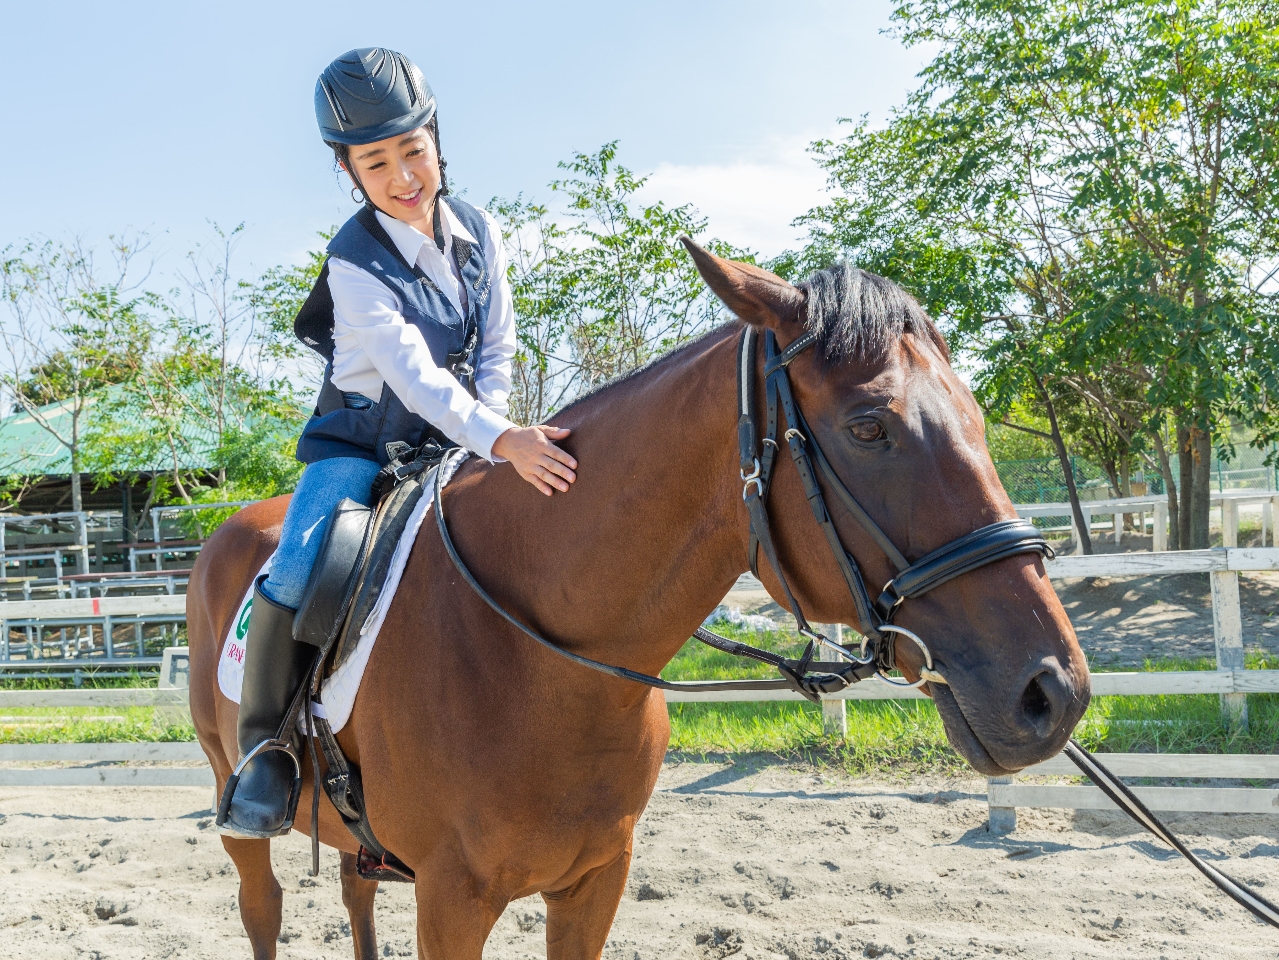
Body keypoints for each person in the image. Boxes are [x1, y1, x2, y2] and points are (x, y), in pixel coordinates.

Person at [218, 47, 578, 839]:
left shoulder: (480, 228)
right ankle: (265, 753)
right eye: (375, 161)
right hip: (360, 447)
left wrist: (498, 432)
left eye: (412, 150)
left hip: (466, 439)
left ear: (436, 140)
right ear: (349, 170)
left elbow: (496, 346)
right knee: (298, 563)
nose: (402, 174)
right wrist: (498, 437)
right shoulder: (353, 261)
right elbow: (413, 379)